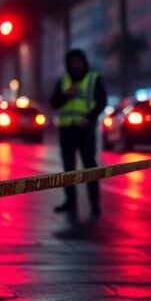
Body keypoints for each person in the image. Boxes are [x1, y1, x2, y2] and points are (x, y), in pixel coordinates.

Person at [49, 49, 107, 216]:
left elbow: (101, 102)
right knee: (68, 167)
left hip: (85, 129)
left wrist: (89, 118)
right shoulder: (63, 81)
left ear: (84, 62)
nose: (76, 64)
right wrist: (66, 94)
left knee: (89, 165)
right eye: (72, 61)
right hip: (67, 130)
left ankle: (94, 202)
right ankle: (70, 201)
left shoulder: (93, 79)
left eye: (78, 61)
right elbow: (54, 102)